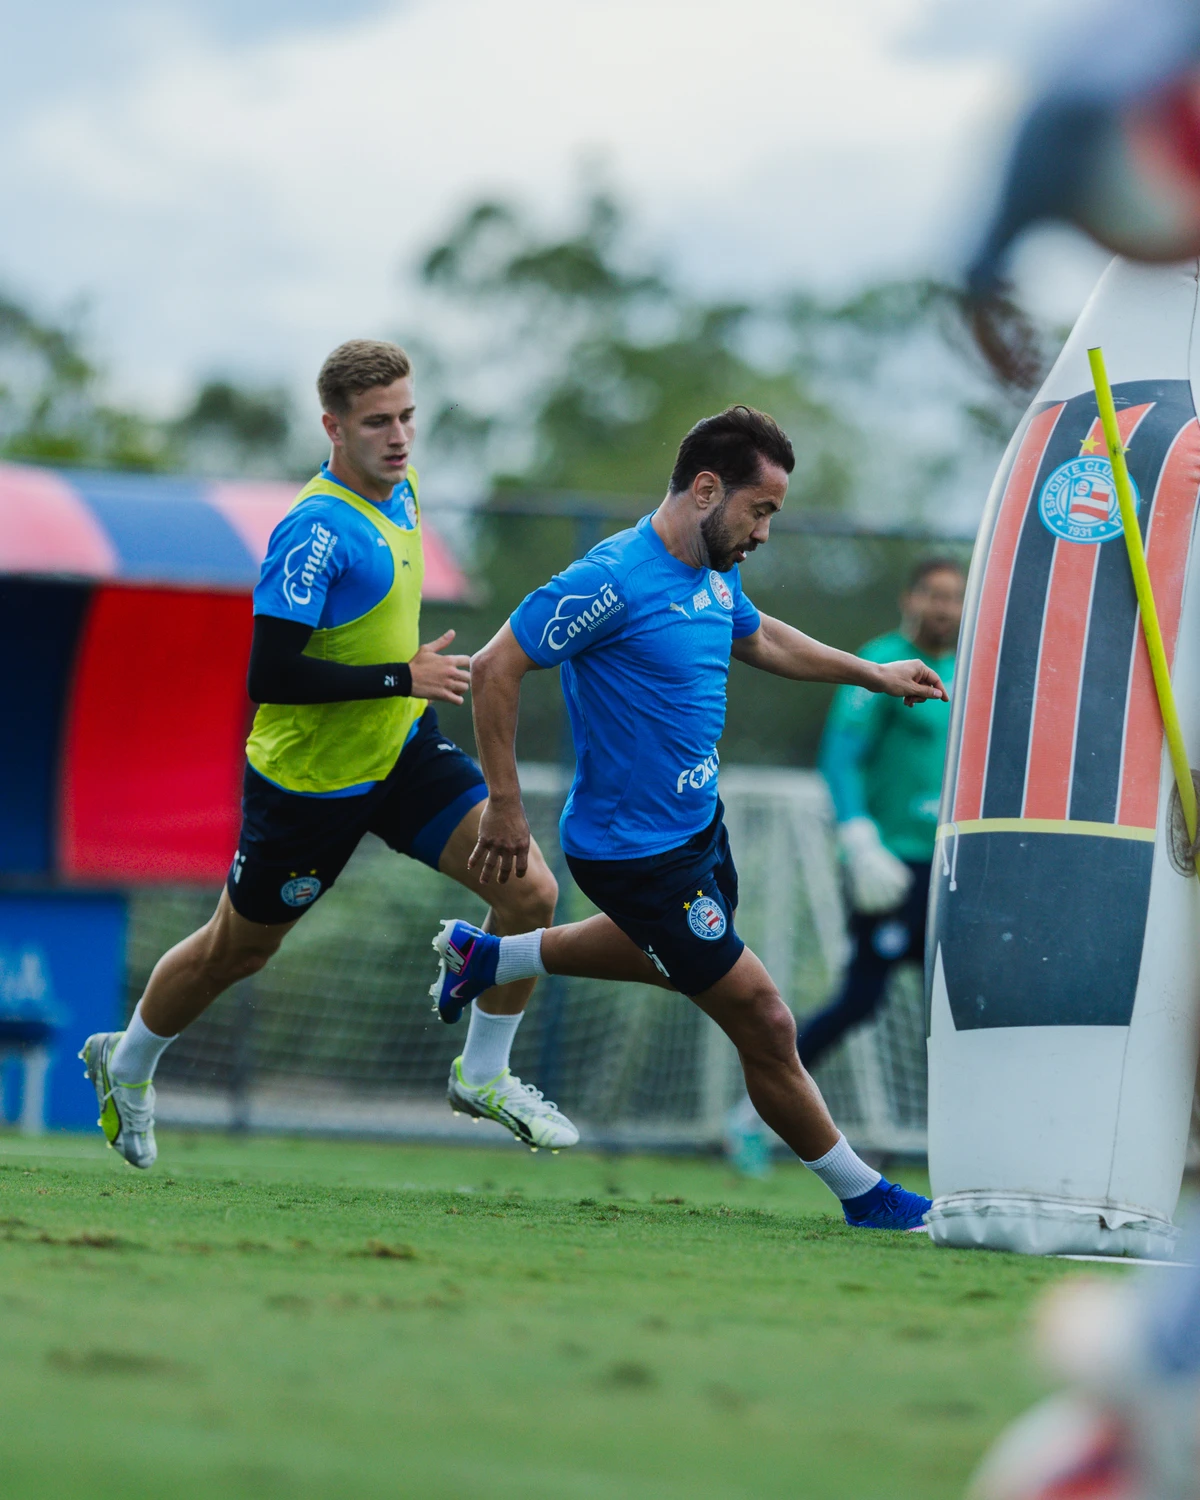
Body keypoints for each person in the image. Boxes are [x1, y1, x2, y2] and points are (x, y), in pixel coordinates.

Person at [429, 405, 948, 1230]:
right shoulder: (611, 580)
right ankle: (867, 1195)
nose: (765, 532)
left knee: (679, 964)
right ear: (707, 489)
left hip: (699, 830)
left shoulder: (714, 570)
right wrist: (504, 804)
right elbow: (496, 667)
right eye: (761, 509)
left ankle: (488, 957)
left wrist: (871, 673)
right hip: (634, 853)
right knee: (765, 1018)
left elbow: (760, 638)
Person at [80, 339, 576, 1169]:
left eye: (407, 416)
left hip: (400, 751)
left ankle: (482, 1074)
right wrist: (402, 674)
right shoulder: (316, 530)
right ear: (333, 427)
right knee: (237, 950)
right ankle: (125, 1063)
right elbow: (269, 673)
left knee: (528, 891)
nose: (399, 436)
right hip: (309, 784)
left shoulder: (406, 492)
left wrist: (401, 688)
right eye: (377, 422)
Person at [795, 556, 964, 1071]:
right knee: (860, 1001)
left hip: (950, 867)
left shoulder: (971, 668)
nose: (945, 607)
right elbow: (840, 758)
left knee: (963, 1006)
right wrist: (859, 840)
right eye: (934, 594)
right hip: (889, 866)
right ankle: (755, 1112)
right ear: (909, 599)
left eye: (955, 596)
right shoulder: (882, 662)